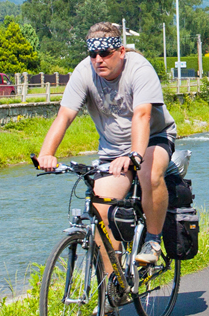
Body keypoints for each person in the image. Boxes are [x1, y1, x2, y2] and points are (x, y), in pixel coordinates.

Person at [37, 22, 177, 267]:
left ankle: (153, 241)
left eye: (105, 54)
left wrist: (135, 154)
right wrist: (46, 153)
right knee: (100, 210)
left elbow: (142, 115)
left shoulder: (140, 70)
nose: (98, 60)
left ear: (121, 52)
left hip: (154, 138)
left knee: (149, 173)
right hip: (112, 150)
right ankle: (113, 285)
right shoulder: (83, 73)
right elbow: (65, 115)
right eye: (93, 54)